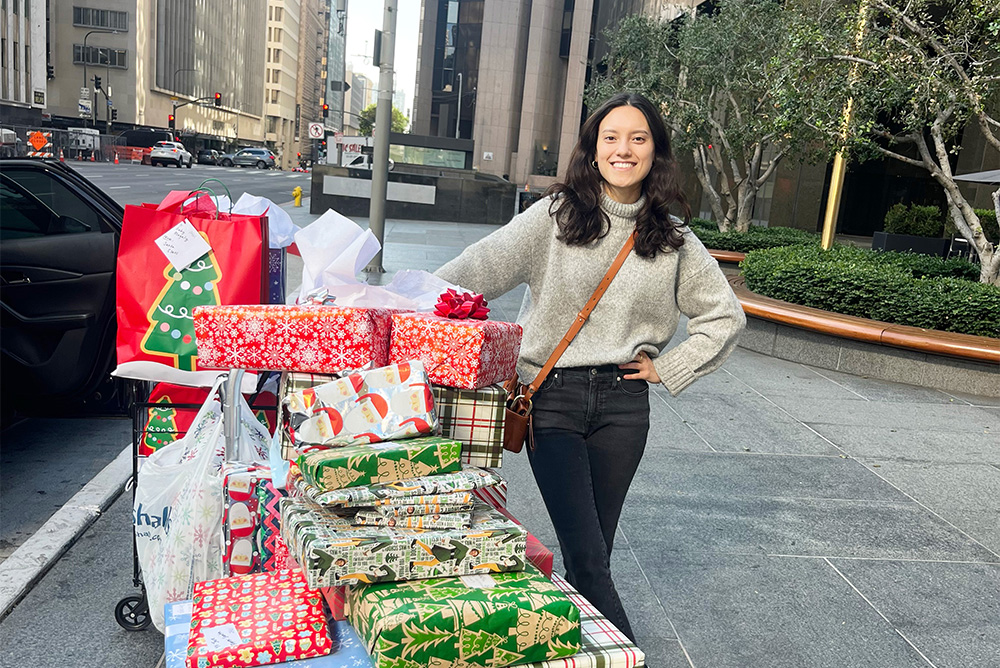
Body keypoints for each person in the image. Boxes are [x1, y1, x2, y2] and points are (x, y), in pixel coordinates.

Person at [434, 91, 745, 640]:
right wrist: (384, 304)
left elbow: (725, 317)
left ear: (655, 152)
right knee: (589, 558)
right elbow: (467, 272)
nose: (624, 149)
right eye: (611, 138)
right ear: (594, 149)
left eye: (638, 138)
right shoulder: (554, 218)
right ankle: (626, 654)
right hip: (551, 398)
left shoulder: (672, 238)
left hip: (624, 407)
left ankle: (576, 646)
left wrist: (669, 368)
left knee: (592, 552)